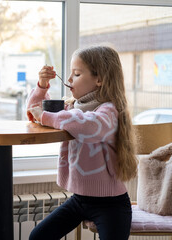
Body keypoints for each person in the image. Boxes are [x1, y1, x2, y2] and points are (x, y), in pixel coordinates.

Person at [27, 45, 138, 240]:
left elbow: (87, 127)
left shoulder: (108, 111)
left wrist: (46, 116)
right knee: (38, 236)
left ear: (99, 79)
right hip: (79, 200)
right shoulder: (71, 107)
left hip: (111, 204)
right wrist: (42, 86)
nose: (69, 79)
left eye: (76, 74)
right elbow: (34, 111)